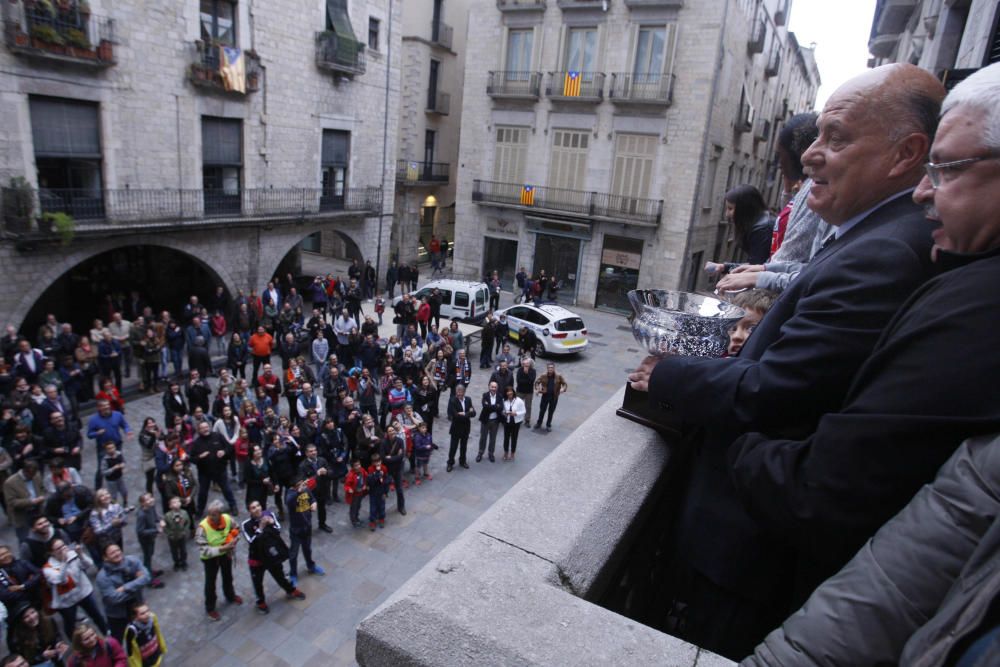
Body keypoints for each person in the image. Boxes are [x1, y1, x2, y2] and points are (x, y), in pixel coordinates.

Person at [627, 63, 947, 659]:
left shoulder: (883, 253)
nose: (811, 156)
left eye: (837, 138)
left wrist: (666, 373)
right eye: (817, 136)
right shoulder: (881, 235)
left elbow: (776, 391)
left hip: (743, 553)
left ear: (906, 153)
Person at [727, 62, 1000, 652]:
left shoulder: (941, 283)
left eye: (946, 169)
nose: (926, 192)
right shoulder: (937, 260)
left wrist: (732, 441)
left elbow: (828, 487)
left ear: (906, 152)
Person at [241, 500, 305, 615]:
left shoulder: (269, 514)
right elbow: (252, 541)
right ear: (249, 511)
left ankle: (290, 590)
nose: (257, 509)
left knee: (280, 575)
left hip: (271, 555)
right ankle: (260, 602)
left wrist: (271, 523)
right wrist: (261, 527)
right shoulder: (246, 524)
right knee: (258, 582)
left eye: (258, 505)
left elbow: (278, 530)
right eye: (253, 507)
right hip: (257, 559)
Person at [43, 538, 108, 636]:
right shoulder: (47, 568)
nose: (63, 549)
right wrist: (64, 562)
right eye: (58, 548)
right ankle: (75, 644)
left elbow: (88, 564)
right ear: (52, 552)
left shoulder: (73, 554)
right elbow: (61, 580)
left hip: (83, 592)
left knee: (97, 615)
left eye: (63, 545)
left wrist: (81, 554)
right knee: (70, 624)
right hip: (66, 600)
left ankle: (107, 634)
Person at [195, 500, 242, 621]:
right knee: (210, 583)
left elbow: (236, 528)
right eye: (209, 514)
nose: (210, 517)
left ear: (220, 514)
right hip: (210, 559)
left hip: (225, 554)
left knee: (228, 576)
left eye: (213, 514)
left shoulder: (227, 519)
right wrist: (223, 548)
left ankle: (230, 595)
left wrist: (234, 539)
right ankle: (210, 607)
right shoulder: (202, 528)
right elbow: (204, 550)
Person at [95, 543, 150, 642]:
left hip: (136, 608)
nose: (117, 554)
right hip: (118, 614)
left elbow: (147, 577)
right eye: (112, 553)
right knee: (117, 640)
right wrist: (138, 584)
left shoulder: (133, 560)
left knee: (140, 635)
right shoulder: (102, 577)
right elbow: (114, 598)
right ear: (105, 558)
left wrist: (125, 587)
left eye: (118, 550)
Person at [190, 420, 237, 516]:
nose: (205, 429)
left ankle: (233, 506)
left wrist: (224, 452)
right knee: (202, 492)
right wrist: (200, 457)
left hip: (220, 470)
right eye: (202, 428)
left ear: (209, 427)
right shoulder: (196, 443)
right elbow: (191, 459)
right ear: (199, 430)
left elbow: (229, 448)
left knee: (227, 489)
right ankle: (200, 511)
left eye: (206, 427)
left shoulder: (218, 436)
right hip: (204, 472)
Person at [284, 477, 325, 586]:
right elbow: (288, 501)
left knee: (307, 549)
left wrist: (314, 503)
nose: (303, 487)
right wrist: (298, 491)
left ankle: (311, 566)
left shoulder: (306, 490)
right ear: (294, 487)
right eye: (299, 485)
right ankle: (293, 574)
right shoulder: (290, 494)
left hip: (307, 526)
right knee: (293, 554)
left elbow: (312, 498)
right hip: (296, 530)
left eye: (302, 484)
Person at [86, 400, 132, 489]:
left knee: (118, 462)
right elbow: (89, 435)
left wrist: (128, 431)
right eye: (104, 406)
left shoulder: (117, 415)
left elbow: (125, 425)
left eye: (108, 405)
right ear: (99, 408)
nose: (107, 407)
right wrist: (97, 433)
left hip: (117, 444)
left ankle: (117, 481)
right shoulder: (94, 420)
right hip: (103, 447)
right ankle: (98, 488)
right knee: (101, 468)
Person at [3, 460, 44, 542]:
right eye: (31, 474)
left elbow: (41, 488)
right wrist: (31, 502)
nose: (33, 476)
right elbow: (12, 502)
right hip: (22, 516)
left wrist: (41, 497)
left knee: (42, 536)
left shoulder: (36, 475)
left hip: (38, 511)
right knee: (25, 540)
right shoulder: (10, 483)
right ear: (24, 471)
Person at [297, 443, 332, 532]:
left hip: (322, 490)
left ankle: (322, 524)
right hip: (310, 493)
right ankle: (307, 528)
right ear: (306, 453)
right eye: (311, 451)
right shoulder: (302, 466)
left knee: (322, 509)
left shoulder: (322, 460)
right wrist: (317, 474)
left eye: (315, 450)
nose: (314, 453)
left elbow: (331, 472)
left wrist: (327, 472)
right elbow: (305, 483)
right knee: (307, 512)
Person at [134, 493, 165, 589]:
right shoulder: (141, 515)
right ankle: (149, 579)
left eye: (151, 497)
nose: (151, 500)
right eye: (147, 500)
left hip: (151, 537)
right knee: (147, 557)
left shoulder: (151, 507)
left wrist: (160, 520)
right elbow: (140, 531)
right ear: (142, 503)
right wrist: (156, 530)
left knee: (150, 554)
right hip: (145, 540)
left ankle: (149, 570)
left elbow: (155, 516)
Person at [122, 603, 167, 667]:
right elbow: (131, 653)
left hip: (156, 655)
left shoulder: (152, 618)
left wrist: (162, 648)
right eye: (142, 613)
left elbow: (158, 633)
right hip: (146, 663)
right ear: (135, 617)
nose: (147, 614)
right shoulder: (132, 630)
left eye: (147, 610)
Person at [0, 545, 42, 611]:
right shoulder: (1, 574)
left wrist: (22, 586)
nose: (5, 556)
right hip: (17, 609)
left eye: (7, 552)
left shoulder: (23, 563)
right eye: (1, 555)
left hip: (37, 602)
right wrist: (30, 586)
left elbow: (39, 574)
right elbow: (4, 594)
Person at [446, 385, 475, 472]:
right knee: (453, 447)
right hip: (456, 428)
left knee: (464, 446)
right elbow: (455, 415)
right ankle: (450, 463)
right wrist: (467, 413)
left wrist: (464, 414)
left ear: (464, 392)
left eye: (460, 391)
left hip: (466, 427)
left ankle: (462, 461)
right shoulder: (452, 400)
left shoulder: (468, 399)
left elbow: (474, 413)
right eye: (457, 391)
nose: (459, 393)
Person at [379, 426, 406, 516]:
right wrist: (395, 457)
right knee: (384, 490)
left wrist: (390, 457)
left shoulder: (399, 441)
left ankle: (401, 507)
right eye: (390, 431)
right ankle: (381, 511)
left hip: (398, 468)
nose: (392, 432)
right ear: (387, 433)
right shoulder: (383, 443)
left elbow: (401, 456)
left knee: (399, 489)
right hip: (388, 469)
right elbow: (383, 458)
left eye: (393, 430)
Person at [533, 363, 567, 431]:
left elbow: (564, 384)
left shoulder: (559, 376)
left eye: (552, 368)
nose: (550, 369)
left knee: (551, 411)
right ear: (547, 369)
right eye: (549, 368)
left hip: (554, 397)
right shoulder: (543, 375)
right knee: (542, 410)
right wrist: (537, 389)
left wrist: (563, 389)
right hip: (545, 396)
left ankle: (548, 425)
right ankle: (539, 423)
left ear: (554, 368)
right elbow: (537, 382)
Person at [162, 496, 190, 572]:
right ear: (170, 506)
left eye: (178, 502)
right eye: (174, 502)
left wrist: (185, 531)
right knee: (174, 551)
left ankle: (183, 562)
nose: (177, 504)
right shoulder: (167, 516)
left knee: (183, 550)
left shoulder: (184, 513)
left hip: (181, 535)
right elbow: (165, 526)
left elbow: (188, 522)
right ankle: (176, 563)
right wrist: (169, 533)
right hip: (172, 537)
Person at [476, 381, 502, 463]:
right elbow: (485, 406)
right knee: (483, 438)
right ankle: (480, 453)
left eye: (495, 387)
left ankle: (491, 453)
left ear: (497, 388)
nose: (493, 389)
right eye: (492, 387)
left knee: (493, 438)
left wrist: (490, 407)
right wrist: (495, 407)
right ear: (489, 387)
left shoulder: (500, 396)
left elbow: (500, 407)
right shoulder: (485, 395)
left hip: (495, 421)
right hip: (485, 420)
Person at [99, 442, 129, 508]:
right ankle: (115, 508)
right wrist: (113, 468)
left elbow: (123, 461)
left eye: (113, 447)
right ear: (106, 450)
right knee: (113, 496)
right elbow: (103, 472)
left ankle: (125, 504)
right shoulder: (105, 460)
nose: (112, 450)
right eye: (109, 448)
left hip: (120, 477)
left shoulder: (119, 454)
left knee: (124, 492)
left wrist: (123, 466)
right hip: (111, 481)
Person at [501, 386, 526, 461]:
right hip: (507, 422)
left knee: (514, 438)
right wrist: (504, 413)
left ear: (513, 392)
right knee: (506, 438)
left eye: (510, 391)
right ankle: (505, 452)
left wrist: (516, 413)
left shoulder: (519, 401)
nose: (509, 393)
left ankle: (512, 453)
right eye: (507, 392)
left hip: (516, 422)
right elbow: (502, 410)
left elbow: (524, 411)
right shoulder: (504, 400)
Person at [366, 453, 388, 531]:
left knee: (382, 506)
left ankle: (381, 518)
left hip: (381, 491)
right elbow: (370, 481)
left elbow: (386, 481)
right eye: (375, 462)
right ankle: (372, 521)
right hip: (373, 492)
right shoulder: (370, 469)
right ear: (372, 463)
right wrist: (377, 474)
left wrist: (386, 492)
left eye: (379, 461)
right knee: (373, 507)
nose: (378, 463)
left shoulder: (384, 468)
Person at [344, 459, 367, 528]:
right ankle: (353, 520)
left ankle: (357, 518)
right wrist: (349, 489)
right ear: (353, 467)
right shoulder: (350, 475)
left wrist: (365, 485)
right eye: (356, 465)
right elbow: (346, 485)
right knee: (353, 508)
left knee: (358, 506)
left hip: (360, 493)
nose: (358, 466)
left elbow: (366, 477)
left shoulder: (362, 470)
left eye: (359, 464)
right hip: (354, 495)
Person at [514, 358, 536, 427]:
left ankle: (527, 420)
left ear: (530, 364)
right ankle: (518, 419)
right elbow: (519, 381)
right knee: (518, 405)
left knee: (528, 406)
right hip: (520, 391)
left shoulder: (533, 371)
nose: (525, 365)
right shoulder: (520, 370)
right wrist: (527, 381)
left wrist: (526, 374)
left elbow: (532, 381)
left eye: (527, 363)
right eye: (524, 363)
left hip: (529, 392)